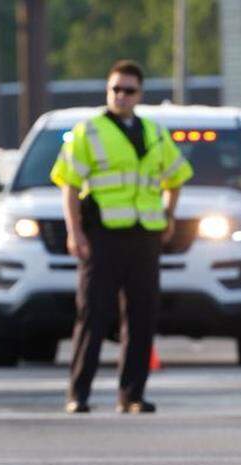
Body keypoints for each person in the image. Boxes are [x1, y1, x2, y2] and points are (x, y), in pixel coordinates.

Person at [50, 60, 192, 414]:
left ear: (139, 94)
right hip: (103, 237)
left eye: (128, 90)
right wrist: (75, 231)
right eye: (115, 89)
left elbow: (176, 177)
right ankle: (78, 393)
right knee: (93, 316)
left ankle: (132, 395)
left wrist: (168, 215)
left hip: (144, 236)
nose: (121, 96)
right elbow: (69, 185)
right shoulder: (90, 131)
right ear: (107, 92)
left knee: (143, 317)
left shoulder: (155, 133)